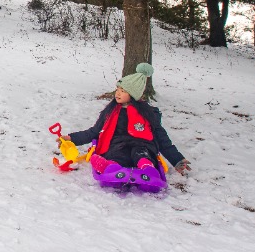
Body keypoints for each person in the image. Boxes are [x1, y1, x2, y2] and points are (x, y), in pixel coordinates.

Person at [63, 63, 191, 180]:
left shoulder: (149, 113)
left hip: (143, 144)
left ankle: (148, 168)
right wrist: (71, 138)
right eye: (118, 89)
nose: (117, 93)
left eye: (123, 91)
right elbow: (94, 131)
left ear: (133, 95)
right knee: (117, 153)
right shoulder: (111, 111)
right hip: (118, 145)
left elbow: (162, 138)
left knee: (141, 153)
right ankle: (112, 166)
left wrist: (177, 159)